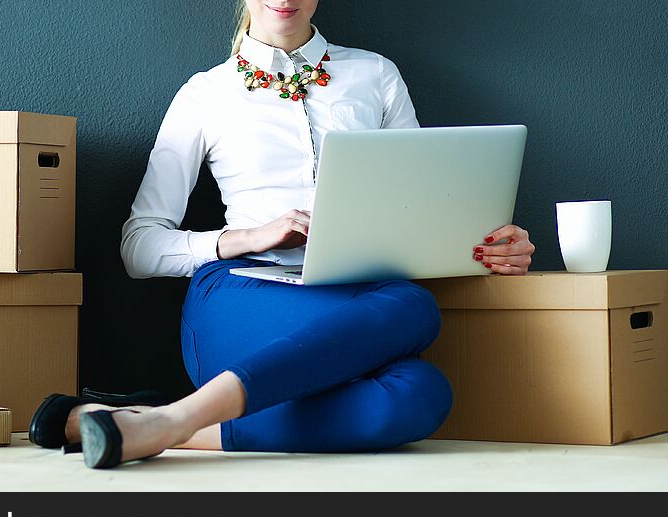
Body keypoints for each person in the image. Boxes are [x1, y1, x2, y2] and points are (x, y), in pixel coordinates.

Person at [29, 0, 536, 469]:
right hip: (237, 293)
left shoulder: (375, 74)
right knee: (416, 308)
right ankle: (173, 419)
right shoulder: (206, 92)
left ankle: (161, 424)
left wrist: (486, 246)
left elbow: (423, 208)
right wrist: (249, 237)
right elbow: (140, 246)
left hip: (353, 298)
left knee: (423, 392)